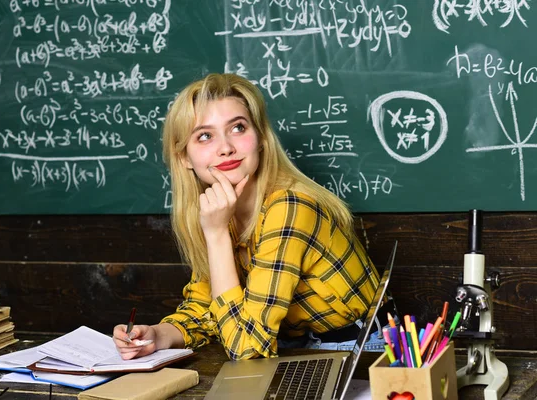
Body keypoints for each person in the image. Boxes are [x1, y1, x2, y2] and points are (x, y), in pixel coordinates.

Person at [113, 73, 388, 361]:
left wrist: (217, 235)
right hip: (293, 346)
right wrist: (158, 334)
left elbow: (247, 349)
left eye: (238, 128)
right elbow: (206, 306)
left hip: (357, 348)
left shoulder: (291, 206)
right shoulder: (218, 209)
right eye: (205, 135)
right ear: (184, 157)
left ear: (260, 139)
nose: (225, 147)